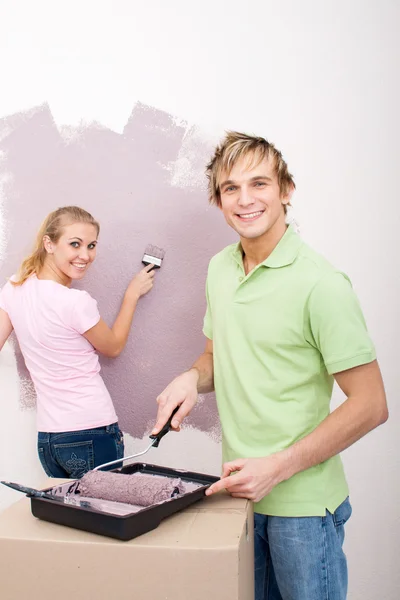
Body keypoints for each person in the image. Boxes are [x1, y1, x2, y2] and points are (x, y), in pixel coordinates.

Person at [151, 132, 388, 600]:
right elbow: (216, 358)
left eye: (259, 183)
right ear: (218, 200)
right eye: (230, 188)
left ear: (286, 190)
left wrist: (278, 468)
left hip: (304, 509)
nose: (245, 200)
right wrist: (189, 379)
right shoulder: (220, 267)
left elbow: (372, 404)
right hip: (239, 497)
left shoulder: (322, 284)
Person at [0, 206, 155, 478]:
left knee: (64, 518)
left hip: (49, 440)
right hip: (92, 431)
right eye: (75, 244)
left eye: (91, 245)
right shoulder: (75, 302)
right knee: (102, 517)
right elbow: (113, 347)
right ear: (49, 243)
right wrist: (132, 295)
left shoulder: (14, 287)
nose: (85, 255)